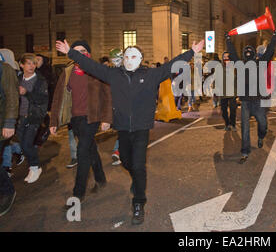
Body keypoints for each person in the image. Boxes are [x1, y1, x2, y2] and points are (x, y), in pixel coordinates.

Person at [56, 38, 204, 225]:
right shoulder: (113, 75)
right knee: (127, 161)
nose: (129, 59)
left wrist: (191, 52)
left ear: (140, 58)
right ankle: (137, 179)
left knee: (139, 164)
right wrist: (71, 52)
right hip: (124, 128)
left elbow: (172, 66)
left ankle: (138, 203)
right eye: (126, 56)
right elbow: (91, 66)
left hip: (142, 128)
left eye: (134, 56)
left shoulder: (151, 74)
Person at [50, 40, 112, 205]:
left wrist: (106, 119)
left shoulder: (97, 71)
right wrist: (53, 120)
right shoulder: (68, 71)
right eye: (75, 50)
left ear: (89, 53)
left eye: (83, 50)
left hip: (91, 118)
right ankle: (100, 179)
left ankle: (77, 194)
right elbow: (58, 97)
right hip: (74, 119)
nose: (79, 53)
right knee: (90, 149)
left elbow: (107, 96)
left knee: (82, 152)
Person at [226, 31, 276, 163]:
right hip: (245, 103)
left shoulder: (260, 64)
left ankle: (261, 136)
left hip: (258, 102)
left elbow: (269, 51)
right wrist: (228, 40)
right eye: (246, 53)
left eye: (250, 52)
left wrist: (274, 37)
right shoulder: (241, 65)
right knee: (245, 128)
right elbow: (232, 54)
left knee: (263, 124)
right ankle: (245, 151)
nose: (248, 55)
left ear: (254, 55)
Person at [16, 54, 49, 183]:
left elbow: (43, 99)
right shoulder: (18, 78)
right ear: (21, 65)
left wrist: (27, 93)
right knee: (22, 145)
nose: (31, 66)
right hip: (20, 117)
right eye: (28, 63)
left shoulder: (40, 80)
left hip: (34, 117)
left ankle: (35, 167)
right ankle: (32, 166)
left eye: (34, 63)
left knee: (27, 144)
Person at [0, 53, 19, 216]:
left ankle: (7, 190)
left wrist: (9, 122)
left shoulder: (4, 69)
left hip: (2, 124)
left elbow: (12, 96)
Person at [220, 52, 237, 131]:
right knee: (223, 111)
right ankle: (227, 124)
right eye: (224, 56)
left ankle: (233, 124)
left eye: (227, 56)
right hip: (222, 93)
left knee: (233, 109)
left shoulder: (234, 67)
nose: (226, 58)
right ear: (222, 58)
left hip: (232, 92)